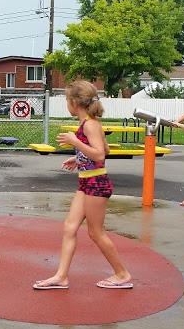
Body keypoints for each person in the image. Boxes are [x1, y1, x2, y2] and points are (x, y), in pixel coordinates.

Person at [34, 80, 133, 290]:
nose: (66, 105)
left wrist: (75, 142)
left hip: (97, 184)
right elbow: (104, 150)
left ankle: (122, 274)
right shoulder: (89, 123)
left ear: (75, 102)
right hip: (86, 182)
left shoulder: (90, 124)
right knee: (69, 227)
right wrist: (78, 159)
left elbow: (99, 153)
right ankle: (61, 276)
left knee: (95, 233)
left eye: (67, 101)